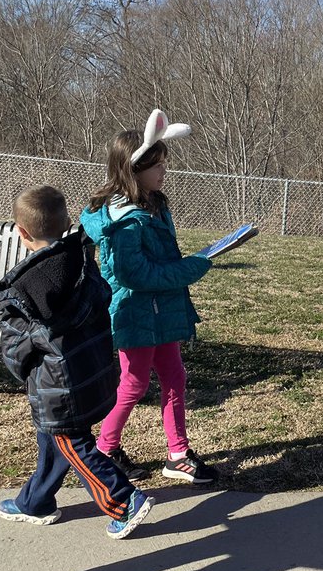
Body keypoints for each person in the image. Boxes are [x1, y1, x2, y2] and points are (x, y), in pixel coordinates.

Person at [0, 185, 156, 538]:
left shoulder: (24, 293)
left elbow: (16, 350)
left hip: (57, 387)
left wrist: (20, 368)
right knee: (54, 438)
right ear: (65, 224)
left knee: (73, 445)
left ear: (21, 232)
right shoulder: (81, 262)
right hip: (88, 374)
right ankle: (36, 501)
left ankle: (124, 500)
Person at [80, 110, 219, 485]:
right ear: (132, 169)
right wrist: (192, 268)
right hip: (135, 313)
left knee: (175, 375)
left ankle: (177, 454)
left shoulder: (154, 204)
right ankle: (104, 450)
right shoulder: (124, 220)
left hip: (162, 312)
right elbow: (133, 274)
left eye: (163, 164)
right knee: (134, 384)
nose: (163, 173)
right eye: (155, 166)